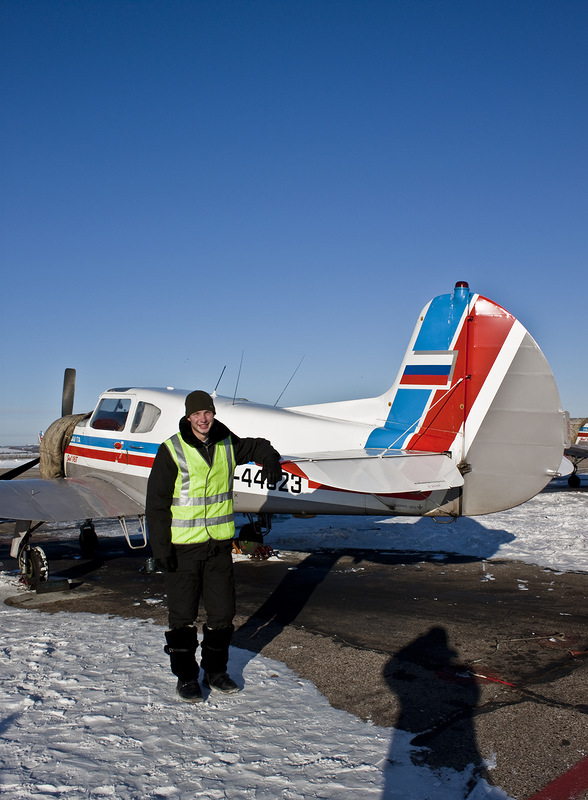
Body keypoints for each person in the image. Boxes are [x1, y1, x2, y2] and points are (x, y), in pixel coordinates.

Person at [145, 390, 282, 704]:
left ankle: (215, 672)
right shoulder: (172, 450)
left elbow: (257, 445)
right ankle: (186, 677)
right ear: (188, 417)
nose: (203, 419)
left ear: (213, 413)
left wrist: (270, 456)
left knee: (222, 614)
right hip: (183, 549)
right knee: (182, 617)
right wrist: (161, 548)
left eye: (207, 413)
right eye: (196, 414)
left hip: (218, 546)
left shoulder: (227, 443)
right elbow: (156, 504)